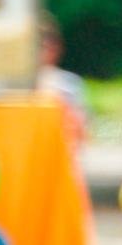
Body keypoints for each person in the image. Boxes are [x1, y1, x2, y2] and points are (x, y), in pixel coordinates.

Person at [35, 13, 89, 148]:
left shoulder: (69, 83)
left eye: (50, 44)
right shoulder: (17, 86)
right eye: (40, 46)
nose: (46, 51)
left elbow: (82, 132)